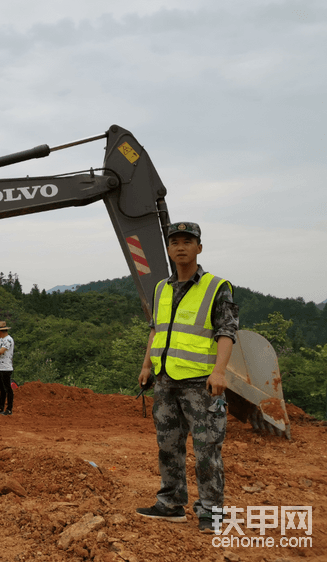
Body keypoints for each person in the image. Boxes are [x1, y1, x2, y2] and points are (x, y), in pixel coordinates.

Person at [136, 222, 239, 534]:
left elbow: (226, 331)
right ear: (168, 249)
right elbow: (156, 330)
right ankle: (170, 504)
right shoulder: (160, 288)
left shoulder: (216, 286)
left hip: (201, 383)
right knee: (168, 445)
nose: (181, 247)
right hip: (166, 381)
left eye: (188, 241)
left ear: (199, 247)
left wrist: (219, 371)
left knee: (207, 449)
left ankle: (212, 513)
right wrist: (146, 366)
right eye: (175, 242)